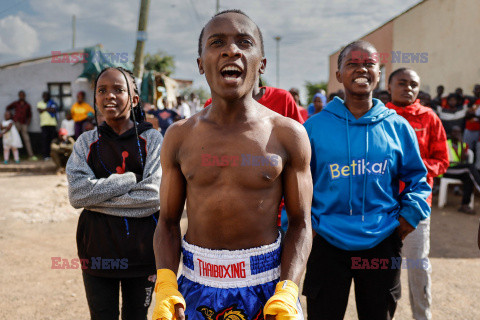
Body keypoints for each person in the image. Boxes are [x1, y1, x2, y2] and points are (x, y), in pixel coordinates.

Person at [151, 10, 312, 320]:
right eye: (217, 42)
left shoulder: (288, 134)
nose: (231, 50)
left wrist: (289, 289)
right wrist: (166, 285)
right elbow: (168, 223)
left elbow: (301, 223)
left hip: (269, 291)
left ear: (261, 63)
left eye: (244, 42)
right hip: (194, 289)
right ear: (200, 63)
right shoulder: (179, 136)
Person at [300, 40, 431, 320]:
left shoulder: (397, 126)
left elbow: (418, 179)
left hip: (381, 241)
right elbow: (298, 184)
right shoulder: (313, 128)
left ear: (379, 73)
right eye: (353, 64)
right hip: (326, 241)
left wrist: (407, 218)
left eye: (369, 64)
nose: (362, 69)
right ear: (338, 75)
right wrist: (305, 227)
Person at [66, 67, 163, 319]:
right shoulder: (86, 143)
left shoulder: (152, 140)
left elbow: (153, 197)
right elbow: (77, 195)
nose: (109, 96)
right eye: (102, 90)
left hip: (143, 254)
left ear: (133, 99)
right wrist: (129, 180)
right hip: (96, 253)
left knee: (136, 315)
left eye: (119, 89)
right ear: (95, 99)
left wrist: (96, 196)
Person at [386, 67, 449, 320]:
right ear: (389, 87)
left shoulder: (429, 118)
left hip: (417, 206)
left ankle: (422, 316)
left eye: (413, 84)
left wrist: (417, 170)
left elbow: (442, 161)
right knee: (382, 269)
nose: (408, 88)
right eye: (402, 83)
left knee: (417, 266)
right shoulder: (380, 116)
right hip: (382, 206)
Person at [443, 126, 480, 214]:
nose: (456, 134)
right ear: (450, 134)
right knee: (469, 166)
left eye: (458, 132)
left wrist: (460, 142)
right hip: (446, 169)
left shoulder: (463, 145)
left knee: (468, 177)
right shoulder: (445, 143)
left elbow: (463, 159)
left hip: (458, 169)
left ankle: (464, 205)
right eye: (454, 132)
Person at [6, 90, 36, 160]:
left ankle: (31, 155)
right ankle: (13, 156)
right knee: (14, 138)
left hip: (24, 123)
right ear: (19, 96)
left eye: (23, 95)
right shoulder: (16, 103)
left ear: (24, 96)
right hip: (16, 123)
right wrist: (12, 117)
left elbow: (29, 115)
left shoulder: (27, 105)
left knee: (26, 139)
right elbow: (8, 108)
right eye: (20, 95)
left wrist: (28, 123)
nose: (21, 96)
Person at [37, 92, 58, 160]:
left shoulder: (52, 103)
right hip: (44, 124)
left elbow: (54, 110)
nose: (46, 97)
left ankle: (53, 155)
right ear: (43, 96)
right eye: (44, 96)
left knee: (52, 141)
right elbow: (40, 110)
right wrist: (48, 109)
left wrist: (44, 109)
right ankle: (46, 156)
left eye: (47, 96)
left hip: (52, 124)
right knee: (45, 141)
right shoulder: (40, 103)